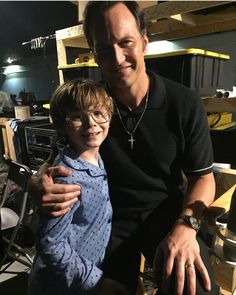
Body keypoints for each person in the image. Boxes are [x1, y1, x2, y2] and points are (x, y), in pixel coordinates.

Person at [30, 2, 220, 295]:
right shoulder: (90, 107)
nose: (117, 58)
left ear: (145, 39)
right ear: (94, 53)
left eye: (125, 42)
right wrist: (37, 179)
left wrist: (187, 227)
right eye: (105, 48)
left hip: (165, 215)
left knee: (196, 288)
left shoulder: (184, 103)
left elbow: (203, 177)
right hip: (106, 219)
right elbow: (57, 155)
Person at [28, 78, 128, 295]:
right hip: (61, 286)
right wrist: (96, 282)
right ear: (62, 127)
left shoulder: (96, 158)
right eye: (77, 116)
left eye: (99, 113)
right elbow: (51, 245)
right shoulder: (67, 178)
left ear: (110, 117)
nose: (91, 122)